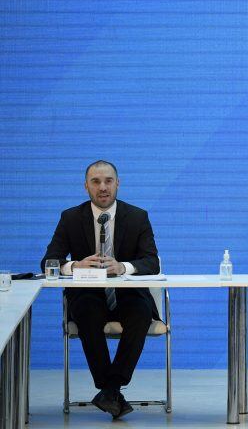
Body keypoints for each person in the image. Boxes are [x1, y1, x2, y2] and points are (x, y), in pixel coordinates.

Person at [41, 160, 159, 419]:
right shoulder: (70, 217)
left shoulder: (138, 216)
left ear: (118, 184)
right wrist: (74, 265)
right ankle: (112, 390)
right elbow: (49, 260)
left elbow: (152, 262)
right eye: (96, 182)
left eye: (108, 181)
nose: (102, 187)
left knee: (141, 312)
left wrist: (123, 267)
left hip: (127, 295)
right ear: (86, 187)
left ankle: (111, 388)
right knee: (86, 311)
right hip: (89, 294)